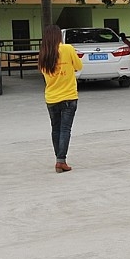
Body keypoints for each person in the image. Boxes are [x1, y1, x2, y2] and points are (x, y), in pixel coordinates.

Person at [38, 24, 82, 173]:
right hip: (69, 96)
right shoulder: (68, 49)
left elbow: (44, 74)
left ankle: (59, 159)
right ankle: (61, 161)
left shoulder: (43, 55)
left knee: (55, 129)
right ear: (59, 36)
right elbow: (79, 66)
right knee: (65, 129)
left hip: (51, 98)